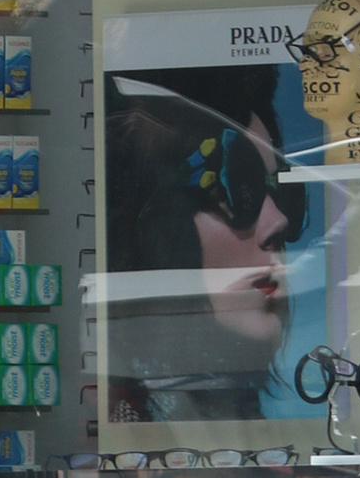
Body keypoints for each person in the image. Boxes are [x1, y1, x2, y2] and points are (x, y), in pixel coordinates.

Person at [102, 68, 305, 422]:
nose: (278, 221)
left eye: (279, 190)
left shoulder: (226, 421)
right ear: (156, 226)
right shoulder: (131, 427)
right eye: (234, 190)